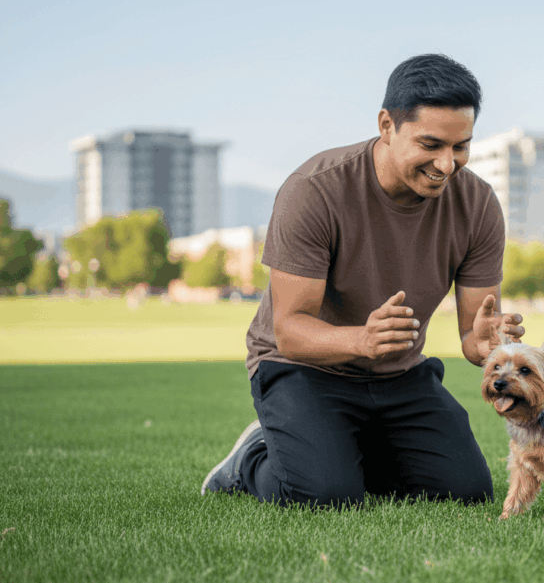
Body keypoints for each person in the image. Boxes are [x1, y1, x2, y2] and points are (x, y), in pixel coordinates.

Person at [201, 53, 525, 508]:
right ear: (387, 126)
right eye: (430, 144)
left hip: (400, 373)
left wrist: (489, 343)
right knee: (325, 496)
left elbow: (474, 336)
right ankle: (251, 458)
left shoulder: (478, 204)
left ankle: (340, 450)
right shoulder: (315, 191)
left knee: (465, 492)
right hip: (304, 369)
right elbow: (288, 329)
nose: (447, 164)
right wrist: (361, 340)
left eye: (461, 146)